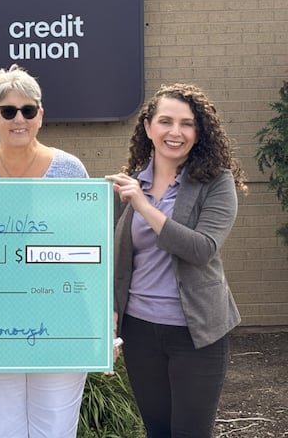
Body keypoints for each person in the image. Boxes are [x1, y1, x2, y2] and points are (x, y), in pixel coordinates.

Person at [106, 83, 247, 438]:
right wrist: (108, 312)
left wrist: (144, 206)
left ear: (198, 133)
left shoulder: (216, 182)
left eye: (187, 124)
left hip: (197, 334)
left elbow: (201, 248)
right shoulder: (130, 184)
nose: (175, 132)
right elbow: (113, 258)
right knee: (157, 431)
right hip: (140, 331)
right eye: (166, 121)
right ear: (149, 127)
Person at [0, 64, 89, 438]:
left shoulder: (69, 170)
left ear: (40, 116)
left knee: (56, 427)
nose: (19, 118)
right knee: (2, 426)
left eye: (28, 110)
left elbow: (88, 251)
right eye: (8, 111)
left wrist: (97, 324)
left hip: (61, 318)